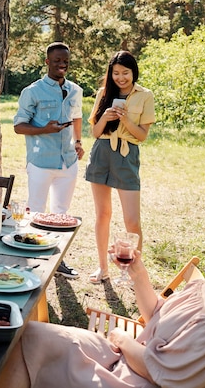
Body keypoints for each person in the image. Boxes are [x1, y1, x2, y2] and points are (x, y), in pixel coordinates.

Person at [0, 193, 205, 388]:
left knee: (28, 345)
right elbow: (157, 318)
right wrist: (138, 273)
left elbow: (158, 372)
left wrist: (121, 339)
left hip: (134, 378)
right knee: (29, 334)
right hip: (128, 359)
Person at [14, 42, 84, 279]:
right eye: (57, 61)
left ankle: (58, 262)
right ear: (47, 62)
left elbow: (76, 117)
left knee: (61, 214)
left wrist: (78, 142)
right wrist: (44, 129)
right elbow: (18, 127)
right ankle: (32, 260)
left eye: (65, 60)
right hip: (41, 162)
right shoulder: (32, 92)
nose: (62, 64)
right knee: (35, 212)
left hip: (68, 162)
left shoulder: (76, 90)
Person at [85, 51, 155, 283]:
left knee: (132, 221)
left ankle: (135, 272)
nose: (121, 78)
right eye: (116, 73)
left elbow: (142, 136)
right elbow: (95, 133)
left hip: (126, 154)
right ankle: (103, 268)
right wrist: (105, 117)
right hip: (101, 154)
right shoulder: (103, 93)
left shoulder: (145, 95)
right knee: (102, 214)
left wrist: (125, 120)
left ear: (133, 72)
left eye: (125, 73)